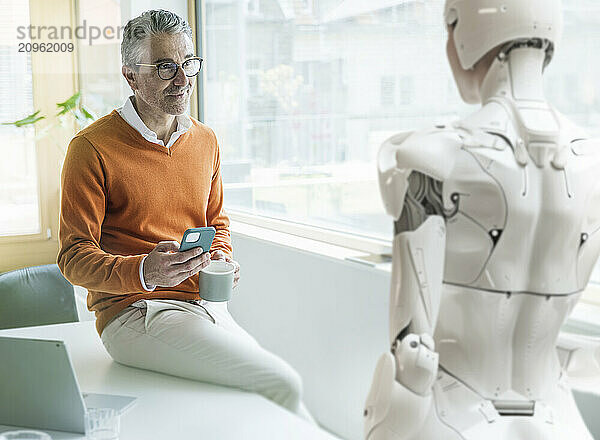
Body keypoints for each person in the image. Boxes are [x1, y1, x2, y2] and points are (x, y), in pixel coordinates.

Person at [57, 9, 312, 422]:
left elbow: (217, 222)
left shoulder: (205, 140)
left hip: (201, 306)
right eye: (165, 67)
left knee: (274, 392)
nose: (182, 79)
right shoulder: (90, 149)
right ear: (131, 76)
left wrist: (221, 258)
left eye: (188, 64)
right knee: (281, 383)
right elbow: (73, 258)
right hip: (133, 313)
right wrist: (146, 272)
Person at [363, 0, 599, 438]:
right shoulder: (594, 161)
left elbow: (413, 352)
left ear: (469, 29)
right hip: (560, 417)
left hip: (456, 413)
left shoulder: (434, 154)